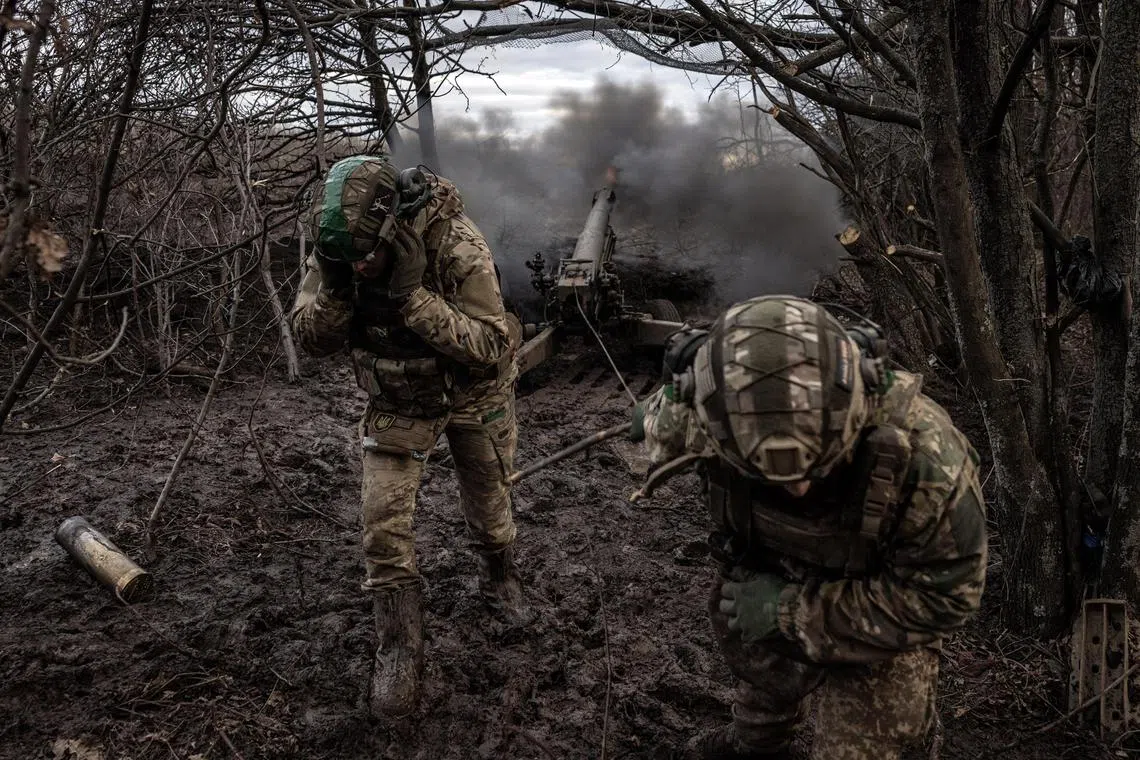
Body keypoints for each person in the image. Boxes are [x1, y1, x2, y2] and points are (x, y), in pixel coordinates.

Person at [630, 295, 987, 760]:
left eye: (820, 464)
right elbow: (650, 432)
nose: (796, 488)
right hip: (770, 572)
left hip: (878, 611)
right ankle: (758, 741)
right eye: (766, 474)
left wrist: (792, 613)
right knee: (751, 649)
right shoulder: (708, 410)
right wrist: (657, 408)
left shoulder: (927, 457)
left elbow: (947, 598)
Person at [289, 154, 530, 720]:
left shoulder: (455, 243)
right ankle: (398, 646)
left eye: (370, 255)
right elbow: (309, 336)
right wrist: (337, 290)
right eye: (352, 258)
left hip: (475, 396)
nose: (362, 265)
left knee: (490, 501)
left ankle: (500, 575)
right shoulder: (342, 249)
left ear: (395, 224)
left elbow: (493, 345)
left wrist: (412, 297)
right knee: (382, 526)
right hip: (398, 399)